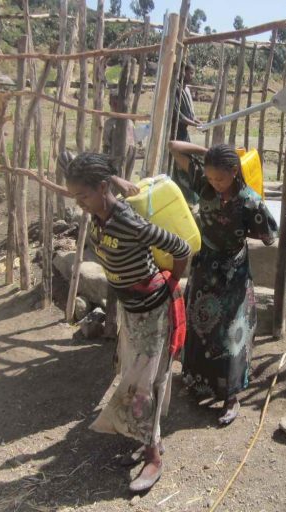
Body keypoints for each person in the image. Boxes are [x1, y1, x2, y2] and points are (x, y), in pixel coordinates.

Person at [65, 153, 191, 493]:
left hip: (151, 310)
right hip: (130, 311)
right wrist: (116, 178)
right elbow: (94, 168)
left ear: (101, 188)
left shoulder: (127, 221)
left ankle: (153, 458)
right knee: (135, 377)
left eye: (83, 196)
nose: (79, 203)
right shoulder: (99, 215)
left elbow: (181, 249)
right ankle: (152, 439)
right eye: (75, 197)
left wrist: (169, 285)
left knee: (143, 384)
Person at [168, 141, 278, 425]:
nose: (215, 183)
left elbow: (269, 235)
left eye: (220, 177)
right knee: (200, 325)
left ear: (234, 172)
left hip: (233, 273)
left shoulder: (249, 199)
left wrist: (240, 233)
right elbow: (174, 147)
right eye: (211, 176)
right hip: (204, 267)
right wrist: (208, 155)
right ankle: (198, 384)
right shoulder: (203, 185)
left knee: (231, 333)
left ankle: (231, 396)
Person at [172, 63, 202, 204]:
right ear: (181, 73)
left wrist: (197, 121)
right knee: (179, 165)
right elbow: (178, 115)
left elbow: (189, 114)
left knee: (188, 163)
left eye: (192, 73)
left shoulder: (187, 90)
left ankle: (189, 197)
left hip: (184, 132)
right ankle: (183, 198)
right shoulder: (175, 89)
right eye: (189, 73)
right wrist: (193, 123)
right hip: (176, 133)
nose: (191, 76)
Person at [102, 90, 137, 180]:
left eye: (117, 103)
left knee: (126, 179)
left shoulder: (129, 122)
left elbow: (133, 142)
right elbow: (106, 145)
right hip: (116, 156)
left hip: (129, 154)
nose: (114, 105)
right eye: (113, 103)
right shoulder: (110, 123)